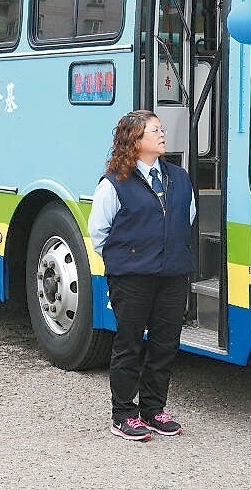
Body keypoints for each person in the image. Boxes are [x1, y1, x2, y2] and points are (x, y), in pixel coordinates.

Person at [89, 109, 196, 441]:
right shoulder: (114, 184)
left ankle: (153, 409)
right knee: (129, 343)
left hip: (172, 274)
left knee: (165, 343)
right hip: (132, 276)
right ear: (134, 141)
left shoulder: (179, 177)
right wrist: (128, 260)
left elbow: (187, 218)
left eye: (162, 130)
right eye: (155, 131)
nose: (162, 135)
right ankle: (123, 414)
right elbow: (99, 233)